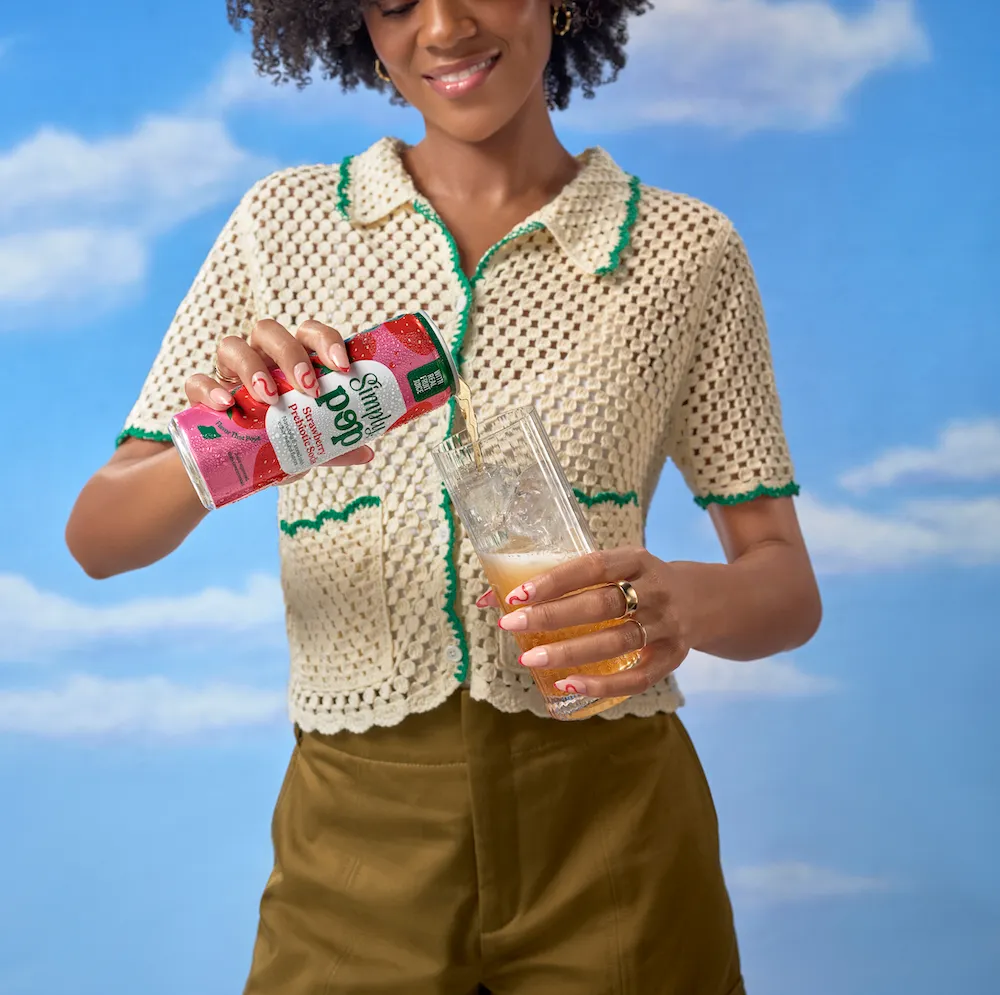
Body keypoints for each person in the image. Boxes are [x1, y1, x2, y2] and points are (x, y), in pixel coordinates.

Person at [66, 0, 822, 991]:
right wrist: (236, 445)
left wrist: (679, 602)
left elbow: (783, 583)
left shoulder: (684, 251)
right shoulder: (282, 226)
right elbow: (99, 535)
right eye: (393, 1)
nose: (442, 27)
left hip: (615, 830)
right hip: (354, 830)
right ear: (352, 24)